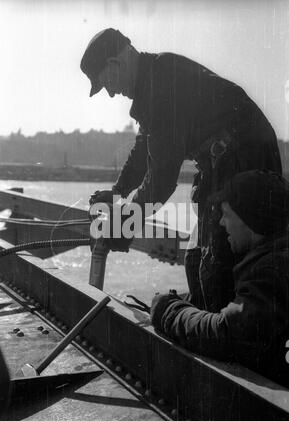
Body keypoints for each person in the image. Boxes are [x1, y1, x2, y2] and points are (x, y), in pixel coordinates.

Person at [80, 28, 282, 311]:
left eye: (107, 84)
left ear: (115, 64)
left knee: (215, 266)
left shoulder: (161, 86)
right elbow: (143, 152)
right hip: (226, 162)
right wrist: (117, 193)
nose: (112, 93)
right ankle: (206, 325)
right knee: (197, 260)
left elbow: (161, 181)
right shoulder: (154, 78)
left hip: (246, 164)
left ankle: (218, 336)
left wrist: (122, 224)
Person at [150, 170, 289, 386]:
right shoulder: (278, 253)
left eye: (227, 214)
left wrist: (170, 312)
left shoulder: (271, 270)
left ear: (249, 219)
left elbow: (228, 335)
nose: (222, 223)